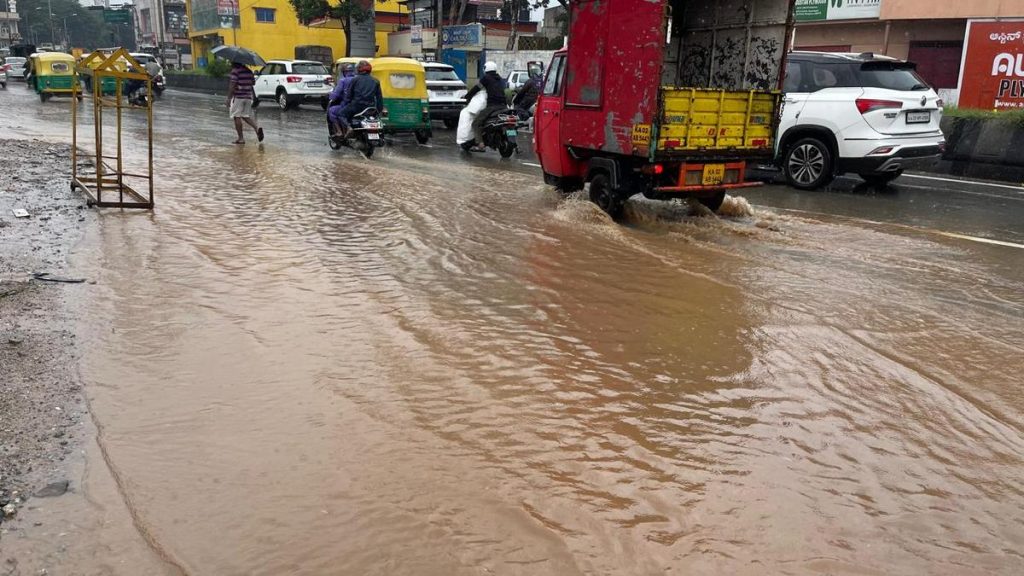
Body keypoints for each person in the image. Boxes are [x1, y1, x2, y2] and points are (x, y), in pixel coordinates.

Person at [457, 61, 507, 152]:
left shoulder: (486, 78)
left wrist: (467, 96)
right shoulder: (500, 79)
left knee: (476, 123)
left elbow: (476, 88)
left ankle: (480, 143)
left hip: (492, 106)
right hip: (504, 106)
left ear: (485, 69)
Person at [340, 60, 384, 135]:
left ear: (359, 69)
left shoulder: (355, 79)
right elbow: (379, 98)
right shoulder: (376, 81)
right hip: (370, 108)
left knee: (341, 114)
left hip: (357, 106)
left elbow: (349, 96)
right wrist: (378, 110)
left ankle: (349, 128)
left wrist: (345, 103)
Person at [226, 61, 264, 145]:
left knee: (236, 116)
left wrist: (229, 98)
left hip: (238, 97)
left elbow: (232, 85)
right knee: (245, 116)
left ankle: (241, 138)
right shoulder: (249, 71)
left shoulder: (235, 71)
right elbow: (253, 83)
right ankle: (257, 128)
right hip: (248, 97)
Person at [327, 62, 357, 137]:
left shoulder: (343, 81)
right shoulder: (359, 79)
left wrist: (331, 96)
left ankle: (339, 131)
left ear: (344, 72)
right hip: (361, 106)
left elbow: (336, 94)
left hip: (347, 105)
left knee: (332, 111)